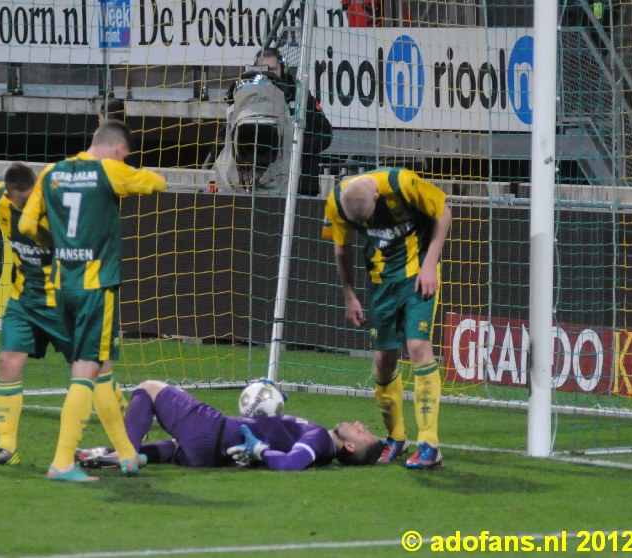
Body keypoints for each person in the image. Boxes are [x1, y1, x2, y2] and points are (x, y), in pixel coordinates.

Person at [19, 121, 167, 482]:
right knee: (85, 371)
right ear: (119, 149)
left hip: (63, 285)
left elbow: (25, 225)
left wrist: (58, 244)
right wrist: (132, 174)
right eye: (125, 154)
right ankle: (62, 461)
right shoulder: (109, 170)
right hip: (96, 288)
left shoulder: (51, 173)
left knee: (101, 371)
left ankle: (128, 454)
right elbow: (156, 183)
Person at [322, 168, 452, 469]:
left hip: (418, 273)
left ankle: (430, 443)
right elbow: (342, 248)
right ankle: (396, 437)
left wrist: (430, 264)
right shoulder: (337, 201)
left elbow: (444, 212)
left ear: (378, 196)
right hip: (381, 283)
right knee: (383, 360)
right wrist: (349, 295)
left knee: (418, 347)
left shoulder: (403, 183)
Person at [0, 162, 72, 467]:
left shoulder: (57, 207)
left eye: (30, 199)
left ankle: (132, 432)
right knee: (7, 361)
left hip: (61, 301)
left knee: (91, 369)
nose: (25, 205)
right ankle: (6, 448)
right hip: (23, 299)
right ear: (10, 195)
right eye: (21, 201)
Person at [76, 380, 385, 471]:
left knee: (149, 388)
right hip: (210, 455)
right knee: (171, 449)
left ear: (348, 446)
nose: (358, 423)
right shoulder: (320, 445)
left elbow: (290, 464)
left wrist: (260, 449)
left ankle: (126, 452)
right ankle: (106, 454)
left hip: (214, 430)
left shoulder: (319, 439)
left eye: (361, 432)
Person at [211, 48, 333, 196]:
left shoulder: (299, 95)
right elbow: (224, 141)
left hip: (300, 186)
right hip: (255, 189)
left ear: (283, 69)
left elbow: (325, 135)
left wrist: (292, 143)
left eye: (273, 69)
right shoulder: (246, 97)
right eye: (264, 69)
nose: (268, 74)